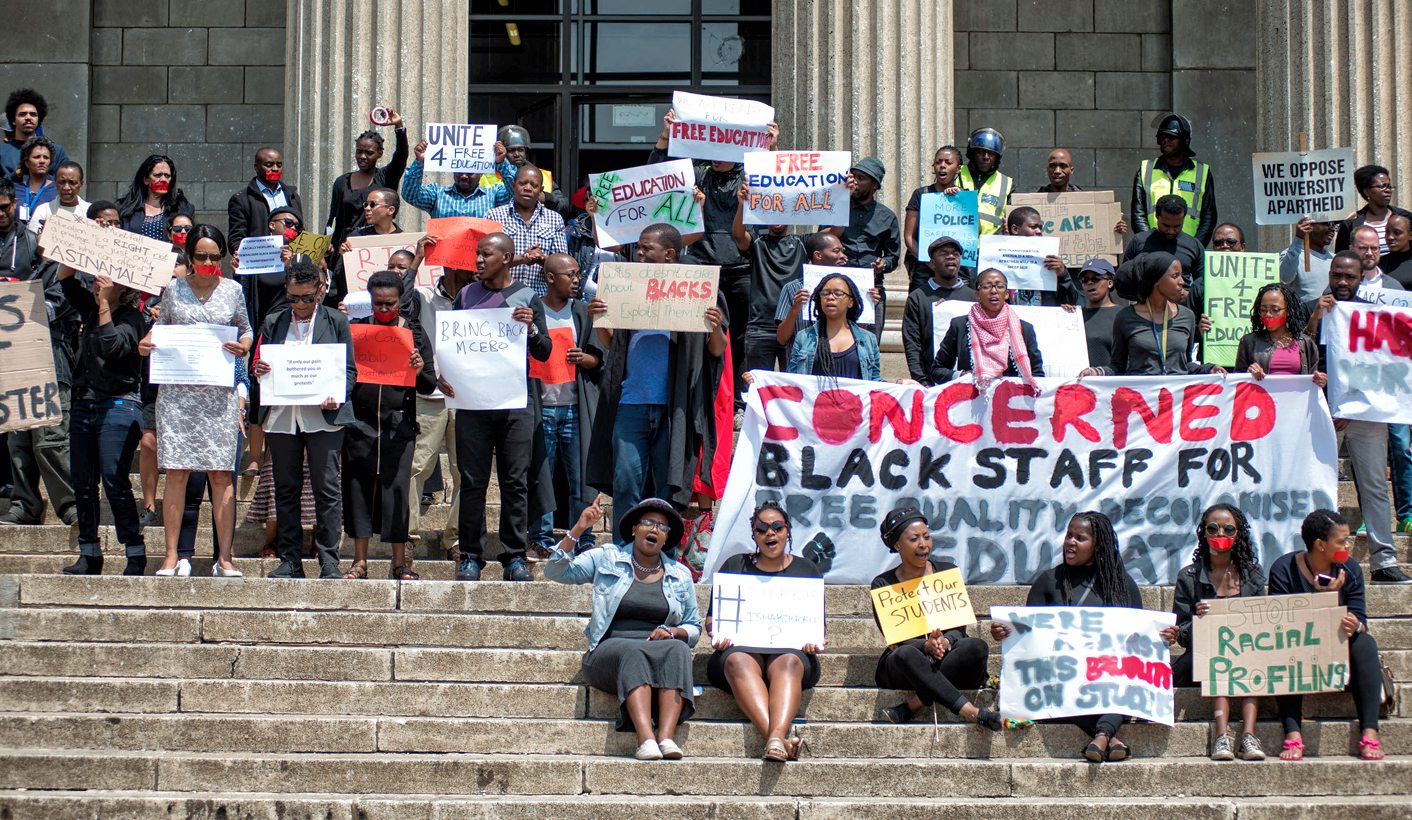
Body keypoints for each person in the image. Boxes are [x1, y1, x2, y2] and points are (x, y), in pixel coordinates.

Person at [586, 223, 727, 537]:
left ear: (669, 254)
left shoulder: (697, 290)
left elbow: (716, 350)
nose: (639, 253)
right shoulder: (628, 287)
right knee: (626, 481)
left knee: (666, 485)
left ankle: (664, 550)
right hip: (630, 402)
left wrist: (715, 325)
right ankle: (623, 548)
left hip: (673, 407)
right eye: (638, 247)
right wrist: (599, 320)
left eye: (646, 248)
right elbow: (613, 346)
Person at [544, 497, 702, 761]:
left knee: (679, 650)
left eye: (662, 527)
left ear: (666, 538)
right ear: (634, 528)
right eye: (648, 523)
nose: (654, 530)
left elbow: (693, 627)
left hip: (657, 649)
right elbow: (555, 572)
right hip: (608, 653)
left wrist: (673, 632)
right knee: (635, 651)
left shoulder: (680, 574)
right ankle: (645, 739)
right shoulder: (607, 557)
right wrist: (578, 530)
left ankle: (666, 737)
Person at [139, 225, 252, 577]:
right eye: (201, 255)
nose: (207, 262)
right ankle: (171, 556)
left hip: (218, 395)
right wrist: (147, 342)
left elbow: (246, 329)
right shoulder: (173, 289)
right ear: (189, 256)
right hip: (178, 395)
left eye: (214, 256)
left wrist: (244, 346)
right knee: (176, 473)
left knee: (221, 475)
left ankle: (225, 558)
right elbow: (161, 328)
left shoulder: (233, 290)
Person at [991, 511, 1147, 761]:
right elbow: (1029, 637)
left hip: (1106, 674)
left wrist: (1163, 636)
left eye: (1080, 538)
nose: (1070, 542)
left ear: (1098, 546)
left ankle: (1102, 737)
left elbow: (1139, 634)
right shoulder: (1048, 581)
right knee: (1057, 688)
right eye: (1068, 535)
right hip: (1062, 674)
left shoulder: (1121, 585)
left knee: (1125, 679)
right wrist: (1006, 632)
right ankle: (1108, 737)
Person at [447, 232, 552, 582]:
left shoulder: (527, 296)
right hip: (473, 404)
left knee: (515, 481)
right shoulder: (465, 295)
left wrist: (531, 328)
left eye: (486, 254)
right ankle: (470, 556)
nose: (478, 260)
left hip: (514, 404)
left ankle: (514, 556)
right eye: (477, 254)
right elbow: (453, 344)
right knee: (472, 481)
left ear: (506, 258)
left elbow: (545, 351)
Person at [1305, 252, 1412, 584]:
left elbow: (1386, 363)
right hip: (1322, 413)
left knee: (1375, 485)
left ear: (1360, 278)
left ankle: (1384, 561)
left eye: (1349, 277)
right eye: (1336, 275)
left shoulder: (1374, 313)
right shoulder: (1313, 307)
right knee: (1317, 485)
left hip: (1366, 415)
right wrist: (1315, 318)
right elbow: (1298, 351)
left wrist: (1353, 406)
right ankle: (1315, 560)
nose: (1342, 282)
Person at [252, 260, 356, 580]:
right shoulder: (273, 321)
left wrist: (337, 392)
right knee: (285, 489)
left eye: (306, 298)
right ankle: (290, 560)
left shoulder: (336, 321)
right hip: (283, 416)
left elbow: (349, 370)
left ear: (320, 291)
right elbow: (259, 364)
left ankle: (329, 560)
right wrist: (259, 370)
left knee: (327, 489)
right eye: (293, 298)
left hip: (323, 417)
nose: (299, 305)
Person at [707, 501, 824, 760]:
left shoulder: (807, 569)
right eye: (762, 529)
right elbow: (712, 619)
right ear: (754, 535)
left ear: (787, 531)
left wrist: (813, 640)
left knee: (789, 661)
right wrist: (716, 631)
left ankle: (775, 739)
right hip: (740, 649)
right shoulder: (735, 565)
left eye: (777, 527)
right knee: (738, 660)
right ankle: (778, 740)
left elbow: (818, 625)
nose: (770, 533)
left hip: (790, 653)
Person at [53, 258, 147, 576]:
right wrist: (75, 247)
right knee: (83, 482)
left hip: (119, 404)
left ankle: (134, 551)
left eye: (109, 281)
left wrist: (105, 303)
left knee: (113, 478)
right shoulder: (89, 308)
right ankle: (89, 552)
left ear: (124, 288)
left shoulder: (133, 318)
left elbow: (112, 347)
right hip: (84, 403)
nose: (99, 284)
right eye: (97, 279)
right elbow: (65, 280)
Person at [1268, 510, 1387, 761]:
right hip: (1299, 646)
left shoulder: (1350, 569)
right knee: (1283, 652)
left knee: (1365, 643)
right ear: (1320, 545)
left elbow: (1361, 620)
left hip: (1337, 647)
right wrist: (1323, 600)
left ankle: (1369, 732)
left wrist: (1355, 625)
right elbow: (1280, 624)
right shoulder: (1283, 569)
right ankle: (1293, 732)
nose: (1348, 546)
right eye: (1341, 541)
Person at [871, 505, 1000, 731]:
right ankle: (972, 712)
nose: (923, 544)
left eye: (926, 537)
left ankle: (914, 704)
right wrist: (925, 646)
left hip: (946, 657)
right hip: (908, 664)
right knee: (905, 653)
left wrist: (946, 641)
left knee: (976, 647)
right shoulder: (883, 584)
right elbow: (896, 639)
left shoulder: (947, 572)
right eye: (914, 539)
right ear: (898, 545)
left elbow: (959, 628)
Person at [342, 270, 432, 580]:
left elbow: (429, 384)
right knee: (358, 489)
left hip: (399, 426)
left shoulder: (414, 333)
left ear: (400, 301)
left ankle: (399, 563)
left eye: (389, 304)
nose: (383, 309)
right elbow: (343, 373)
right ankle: (359, 562)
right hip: (360, 424)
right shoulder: (357, 331)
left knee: (397, 491)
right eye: (378, 303)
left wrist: (419, 370)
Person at [1170, 504, 1268, 761]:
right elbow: (1182, 635)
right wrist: (1199, 619)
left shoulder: (1252, 575)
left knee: (1250, 658)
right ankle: (1221, 737)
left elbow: (1263, 624)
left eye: (1228, 529)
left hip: (1246, 653)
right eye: (1213, 528)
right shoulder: (1189, 577)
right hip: (1203, 656)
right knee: (1219, 656)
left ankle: (1248, 736)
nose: (1220, 533)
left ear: (1238, 534)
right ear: (1203, 532)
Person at [403, 248, 475, 564]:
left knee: (466, 471)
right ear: (448, 267)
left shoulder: (483, 299)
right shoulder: (423, 296)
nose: (473, 270)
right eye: (465, 265)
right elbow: (399, 301)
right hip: (428, 395)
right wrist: (417, 260)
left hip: (469, 397)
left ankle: (456, 538)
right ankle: (407, 536)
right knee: (416, 467)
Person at [528, 253, 601, 557]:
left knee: (580, 477)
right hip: (541, 407)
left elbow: (599, 359)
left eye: (577, 274)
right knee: (541, 474)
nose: (576, 280)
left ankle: (582, 536)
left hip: (574, 407)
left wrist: (584, 358)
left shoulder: (582, 311)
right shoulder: (532, 311)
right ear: (549, 278)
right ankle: (540, 537)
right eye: (569, 275)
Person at [1085, 252, 1222, 377]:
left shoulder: (1187, 316)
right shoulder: (1125, 317)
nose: (1182, 282)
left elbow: (1186, 364)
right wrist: (1097, 372)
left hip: (1176, 395)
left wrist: (1209, 369)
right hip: (1141, 395)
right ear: (1156, 281)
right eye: (1175, 276)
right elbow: (1118, 366)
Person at [731, 181, 806, 373]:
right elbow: (738, 235)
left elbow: (832, 234)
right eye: (772, 211)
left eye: (782, 211)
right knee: (758, 384)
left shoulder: (802, 242)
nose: (777, 217)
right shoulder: (758, 243)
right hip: (760, 327)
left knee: (793, 385)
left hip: (793, 327)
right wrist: (742, 204)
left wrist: (842, 198)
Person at [929, 268, 1044, 387]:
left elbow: (1038, 374)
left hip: (1012, 396)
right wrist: (962, 376)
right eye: (986, 286)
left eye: (999, 286)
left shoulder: (1024, 329)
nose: (993, 291)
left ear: (1006, 294)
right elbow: (937, 371)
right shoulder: (960, 326)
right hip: (972, 396)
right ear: (977, 294)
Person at [827, 157, 899, 341]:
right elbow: (822, 240)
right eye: (853, 177)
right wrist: (843, 201)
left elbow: (893, 257)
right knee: (834, 342)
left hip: (871, 289)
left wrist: (883, 264)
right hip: (838, 285)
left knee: (868, 344)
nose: (855, 182)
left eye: (861, 178)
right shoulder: (835, 207)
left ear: (874, 185)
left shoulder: (887, 217)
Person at [773, 231, 882, 351]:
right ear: (818, 255)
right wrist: (794, 310)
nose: (843, 256)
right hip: (804, 360)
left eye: (843, 251)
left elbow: (860, 333)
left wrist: (867, 304)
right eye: (836, 251)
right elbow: (781, 338)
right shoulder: (793, 289)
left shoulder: (851, 288)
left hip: (841, 359)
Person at [324, 114, 409, 258]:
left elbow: (401, 156)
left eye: (369, 153)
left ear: (380, 154)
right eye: (359, 151)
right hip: (346, 247)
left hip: (375, 245)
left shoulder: (385, 177)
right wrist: (324, 248)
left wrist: (399, 127)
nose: (362, 157)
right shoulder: (342, 182)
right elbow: (333, 219)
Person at [1131, 113, 1216, 247]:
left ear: (1185, 140)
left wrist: (1195, 247)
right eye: (1162, 137)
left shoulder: (1202, 172)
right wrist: (1147, 244)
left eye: (1171, 137)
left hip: (1189, 247)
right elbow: (1138, 213)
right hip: (1152, 247)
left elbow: (1209, 216)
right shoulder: (1145, 169)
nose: (1166, 140)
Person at [901, 235, 977, 383]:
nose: (950, 257)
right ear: (932, 263)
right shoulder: (918, 297)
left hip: (970, 382)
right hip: (931, 383)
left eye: (955, 254)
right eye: (943, 253)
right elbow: (912, 343)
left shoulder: (974, 298)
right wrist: (922, 381)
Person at [486, 165, 568, 298]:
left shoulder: (554, 219)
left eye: (534, 185)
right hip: (501, 297)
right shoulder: (495, 216)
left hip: (541, 298)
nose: (528, 188)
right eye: (522, 183)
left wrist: (542, 259)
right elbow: (489, 262)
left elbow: (562, 267)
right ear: (513, 185)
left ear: (541, 190)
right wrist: (522, 259)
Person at [787, 271, 881, 381]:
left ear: (850, 302)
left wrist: (897, 386)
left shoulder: (868, 339)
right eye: (825, 293)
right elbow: (792, 380)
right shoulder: (803, 337)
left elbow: (875, 381)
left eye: (838, 293)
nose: (830, 297)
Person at [1124, 194, 1206, 309]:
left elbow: (1203, 281)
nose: (1171, 231)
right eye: (1166, 225)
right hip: (1146, 310)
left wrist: (1190, 295)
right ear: (1157, 217)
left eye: (1177, 226)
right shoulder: (1139, 242)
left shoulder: (1194, 245)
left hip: (1182, 310)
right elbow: (1125, 277)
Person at [1234, 281, 1324, 384]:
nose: (1268, 314)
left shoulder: (1305, 342)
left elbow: (1312, 380)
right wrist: (1249, 374)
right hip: (1261, 394)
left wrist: (1319, 380)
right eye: (1263, 310)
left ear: (1288, 311)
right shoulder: (1249, 342)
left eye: (1275, 310)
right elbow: (1236, 381)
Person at [402, 137, 514, 219]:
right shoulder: (437, 194)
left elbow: (514, 193)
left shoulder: (494, 195)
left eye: (470, 172)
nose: (464, 176)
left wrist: (501, 163)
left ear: (481, 173)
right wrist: (420, 162)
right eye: (459, 171)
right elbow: (410, 195)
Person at [902, 145, 962, 290]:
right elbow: (909, 237)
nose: (942, 166)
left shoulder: (963, 195)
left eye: (948, 162)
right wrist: (929, 261)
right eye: (938, 162)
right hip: (925, 270)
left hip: (956, 271)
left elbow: (976, 230)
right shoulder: (921, 195)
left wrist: (961, 199)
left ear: (958, 169)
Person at [227, 147, 303, 251]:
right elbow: (236, 239)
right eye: (269, 165)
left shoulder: (292, 196)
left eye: (279, 165)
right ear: (256, 167)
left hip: (289, 258)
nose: (275, 169)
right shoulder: (242, 199)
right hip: (259, 258)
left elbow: (300, 231)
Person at [116, 154, 196, 241]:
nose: (163, 179)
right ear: (146, 179)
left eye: (167, 176)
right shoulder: (124, 208)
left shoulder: (181, 208)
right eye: (158, 175)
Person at [1003, 206, 1071, 306]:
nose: (1039, 231)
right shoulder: (999, 262)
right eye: (1033, 227)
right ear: (1015, 229)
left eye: (1040, 227)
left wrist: (1063, 275)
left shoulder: (1050, 262)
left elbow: (1074, 300)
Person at [1334, 164, 1409, 254]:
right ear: (1367, 191)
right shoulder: (1350, 224)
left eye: (1389, 186)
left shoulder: (1405, 217)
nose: (1388, 190)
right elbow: (1342, 256)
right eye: (1382, 186)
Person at [2, 88, 68, 184]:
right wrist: (19, 173)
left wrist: (40, 174)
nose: (28, 117)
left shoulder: (57, 151)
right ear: (13, 120)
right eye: (22, 114)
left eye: (33, 114)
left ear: (38, 120)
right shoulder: (2, 153)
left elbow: (66, 183)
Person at [956, 128, 1012, 236]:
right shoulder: (956, 173)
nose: (986, 157)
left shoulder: (1007, 183)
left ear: (997, 157)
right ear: (972, 153)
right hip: (957, 241)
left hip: (992, 243)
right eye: (980, 152)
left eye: (991, 153)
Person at [1279, 217, 1336, 304]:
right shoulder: (1293, 255)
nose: (1332, 229)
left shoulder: (1335, 259)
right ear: (1309, 225)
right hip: (1304, 312)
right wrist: (1299, 238)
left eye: (1334, 225)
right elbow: (1285, 278)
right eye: (1327, 224)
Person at [1078, 259, 1122, 370]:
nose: (1089, 283)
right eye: (1085, 280)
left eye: (1095, 279)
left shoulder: (1123, 315)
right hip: (1077, 380)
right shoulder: (1075, 316)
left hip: (1111, 380)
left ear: (1110, 283)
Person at [26, 160, 87, 237]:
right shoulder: (43, 210)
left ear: (81, 184)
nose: (66, 187)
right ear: (55, 183)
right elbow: (31, 239)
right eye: (62, 182)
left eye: (72, 182)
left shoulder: (89, 211)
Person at [14, 137, 56, 226]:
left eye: (46, 157)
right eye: (36, 157)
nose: (42, 161)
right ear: (27, 162)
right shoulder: (15, 190)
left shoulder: (57, 191)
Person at [1350, 224, 1404, 291]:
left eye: (1374, 248)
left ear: (1379, 250)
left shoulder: (1394, 287)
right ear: (1351, 249)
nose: (1369, 253)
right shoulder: (1340, 285)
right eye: (1363, 248)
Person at [1381, 212, 1412, 289]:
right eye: (1387, 232)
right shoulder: (1378, 264)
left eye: (1397, 233)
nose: (1390, 237)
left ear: (1410, 235)